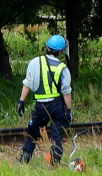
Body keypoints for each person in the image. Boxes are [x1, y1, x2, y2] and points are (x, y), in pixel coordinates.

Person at [17, 35, 73, 165]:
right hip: (57, 106)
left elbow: (27, 84)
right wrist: (69, 110)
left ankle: (24, 160)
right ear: (59, 52)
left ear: (47, 48)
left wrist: (21, 101)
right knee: (57, 136)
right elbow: (66, 93)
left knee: (32, 133)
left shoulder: (34, 62)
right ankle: (54, 164)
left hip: (40, 106)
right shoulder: (63, 68)